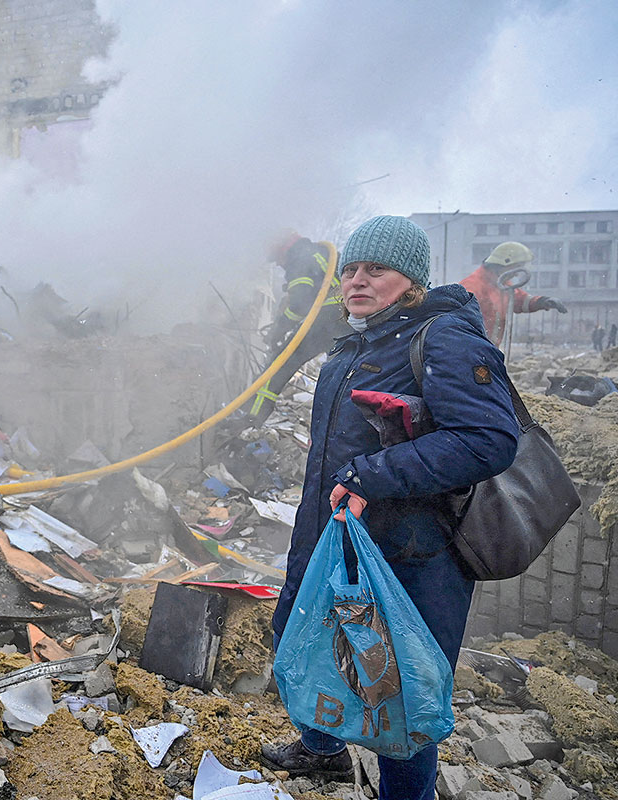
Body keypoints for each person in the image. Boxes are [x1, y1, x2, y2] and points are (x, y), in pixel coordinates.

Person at [262, 216, 520, 798]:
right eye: (350, 269)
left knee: (404, 683)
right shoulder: (358, 340)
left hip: (409, 547)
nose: (357, 280)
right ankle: (323, 749)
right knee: (296, 635)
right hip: (334, 531)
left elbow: (488, 439)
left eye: (376, 269)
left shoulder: (444, 338)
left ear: (410, 281)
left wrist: (371, 474)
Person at [249, 231, 349, 423]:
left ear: (284, 249)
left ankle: (253, 417)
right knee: (341, 374)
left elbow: (298, 305)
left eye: (277, 258)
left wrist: (277, 331)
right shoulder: (320, 251)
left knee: (281, 363)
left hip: (326, 319)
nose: (278, 264)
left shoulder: (298, 257)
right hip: (344, 319)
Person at [459, 242, 566, 346]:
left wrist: (542, 302)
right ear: (504, 264)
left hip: (486, 348)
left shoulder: (501, 285)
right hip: (471, 348)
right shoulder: (472, 286)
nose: (515, 274)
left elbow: (519, 300)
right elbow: (458, 319)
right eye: (516, 268)